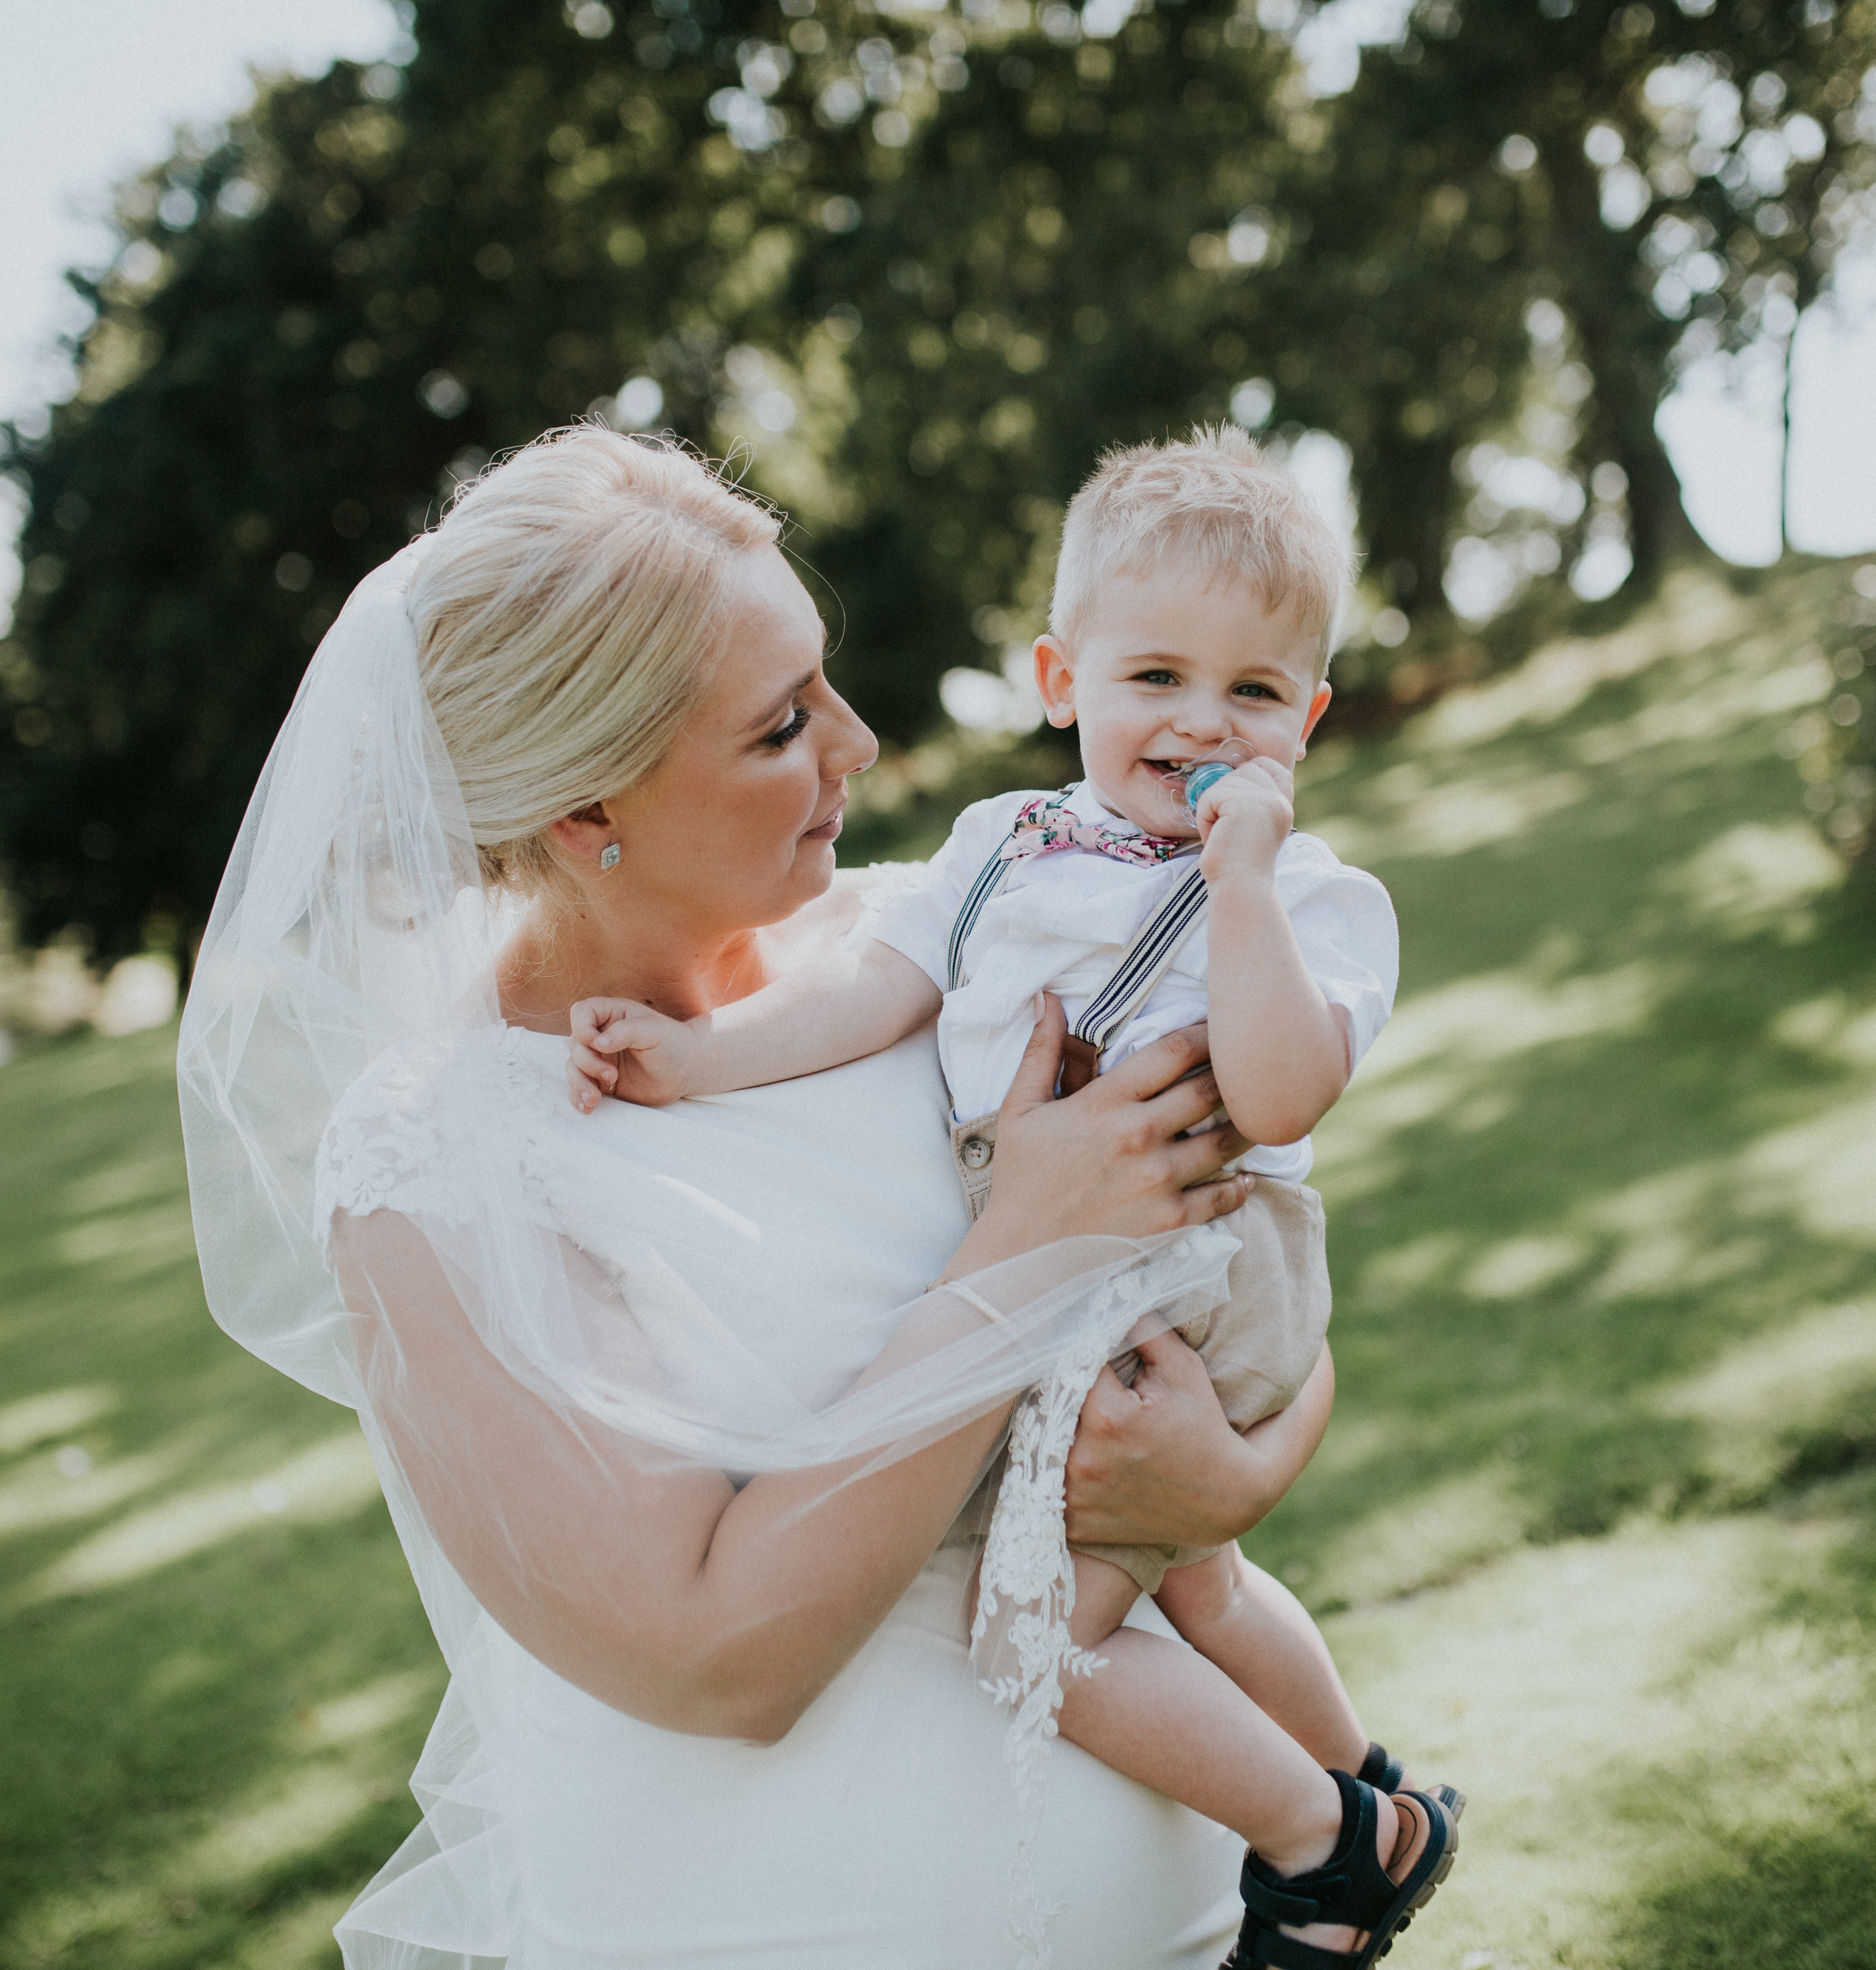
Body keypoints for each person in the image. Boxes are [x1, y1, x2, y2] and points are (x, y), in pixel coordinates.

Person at [178, 424, 1355, 1969]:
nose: (859, 745)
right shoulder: (435, 1167)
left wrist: (1234, 1480)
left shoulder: (938, 958)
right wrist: (1028, 1240)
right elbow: (708, 1658)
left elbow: (1254, 1246)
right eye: (781, 725)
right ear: (587, 807)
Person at [560, 428, 1459, 1968]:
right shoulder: (996, 846)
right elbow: (875, 994)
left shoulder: (1312, 900)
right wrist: (699, 1062)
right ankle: (1374, 1790)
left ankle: (1326, 1854)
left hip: (1197, 1260)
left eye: (1251, 695)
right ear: (1062, 681)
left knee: (1035, 1628)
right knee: (1199, 1577)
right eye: (1155, 677)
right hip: (1070, 1254)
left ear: (1304, 720)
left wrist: (1240, 884)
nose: (1199, 725)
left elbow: (1285, 1090)